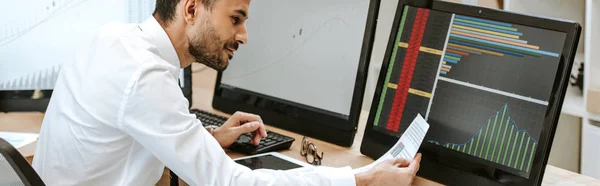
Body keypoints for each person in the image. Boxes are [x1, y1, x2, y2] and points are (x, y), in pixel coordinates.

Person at [32, 0, 422, 185]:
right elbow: (230, 183)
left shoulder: (113, 40)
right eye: (235, 19)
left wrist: (205, 140)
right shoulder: (144, 75)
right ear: (190, 10)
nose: (244, 35)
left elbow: (129, 135)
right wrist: (362, 179)